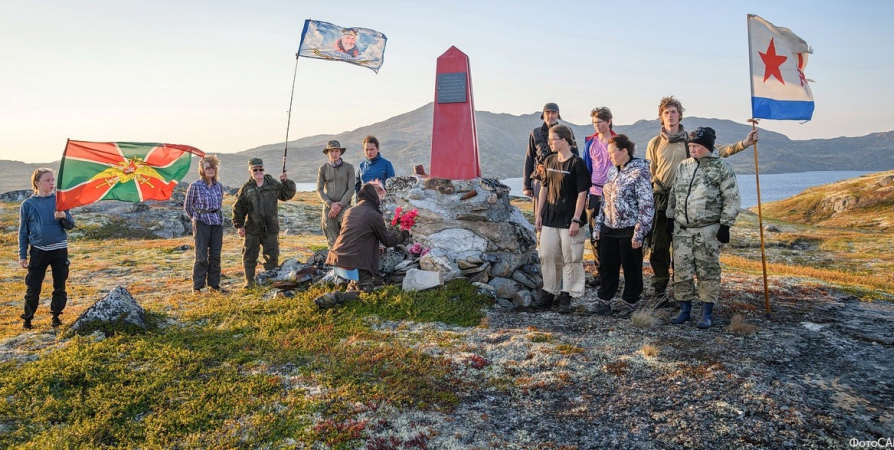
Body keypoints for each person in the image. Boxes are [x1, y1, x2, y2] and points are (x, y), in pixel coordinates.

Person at [645, 96, 758, 305]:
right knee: (659, 246)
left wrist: (744, 143)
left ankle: (685, 294)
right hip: (662, 199)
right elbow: (651, 172)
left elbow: (719, 151)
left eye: (674, 112)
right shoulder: (655, 143)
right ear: (661, 117)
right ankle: (659, 290)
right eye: (666, 112)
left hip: (689, 201)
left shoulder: (692, 139)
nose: (670, 115)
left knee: (683, 250)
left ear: (680, 115)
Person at [666, 127, 741, 329]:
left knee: (707, 270)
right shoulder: (683, 166)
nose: (693, 149)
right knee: (681, 271)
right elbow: (675, 192)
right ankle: (684, 310)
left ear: (707, 147)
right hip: (682, 229)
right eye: (690, 146)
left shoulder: (722, 168)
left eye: (697, 146)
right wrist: (669, 216)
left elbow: (731, 198)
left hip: (707, 229)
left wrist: (725, 225)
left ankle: (706, 313)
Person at [590, 135, 654, 317]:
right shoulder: (612, 171)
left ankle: (630, 301)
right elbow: (604, 202)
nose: (609, 156)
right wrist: (598, 226)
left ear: (624, 151)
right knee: (607, 266)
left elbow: (647, 204)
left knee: (631, 267)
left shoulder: (640, 172)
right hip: (609, 227)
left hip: (630, 228)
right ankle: (604, 300)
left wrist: (640, 232)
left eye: (612, 152)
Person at [317, 182, 409, 308]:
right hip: (355, 260)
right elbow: (388, 242)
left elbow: (356, 235)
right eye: (381, 197)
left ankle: (349, 289)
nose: (381, 201)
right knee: (367, 292)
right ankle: (336, 297)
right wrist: (404, 235)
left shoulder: (349, 211)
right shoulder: (374, 215)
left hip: (338, 257)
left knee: (356, 284)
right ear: (374, 197)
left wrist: (375, 246)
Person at [530, 124, 590, 314]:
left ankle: (567, 295)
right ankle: (549, 291)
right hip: (550, 217)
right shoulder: (549, 161)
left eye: (552, 139)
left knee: (570, 258)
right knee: (547, 255)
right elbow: (544, 189)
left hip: (570, 219)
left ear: (563, 141)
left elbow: (582, 194)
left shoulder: (577, 163)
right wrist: (539, 215)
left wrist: (576, 219)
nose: (549, 143)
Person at [18, 168, 74, 329]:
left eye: (52, 180)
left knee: (60, 285)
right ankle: (27, 319)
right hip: (38, 251)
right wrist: (22, 255)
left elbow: (70, 225)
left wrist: (63, 216)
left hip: (59, 250)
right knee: (33, 286)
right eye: (47, 180)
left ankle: (56, 317)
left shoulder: (59, 200)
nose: (52, 183)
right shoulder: (28, 204)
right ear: (37, 183)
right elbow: (23, 231)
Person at [232, 158, 297, 289]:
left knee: (272, 255)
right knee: (249, 255)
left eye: (260, 169)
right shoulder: (246, 188)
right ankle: (249, 281)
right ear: (250, 171)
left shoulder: (272, 184)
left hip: (270, 227)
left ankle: (270, 279)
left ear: (263, 169)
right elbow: (238, 207)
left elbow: (286, 195)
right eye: (255, 170)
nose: (258, 172)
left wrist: (285, 182)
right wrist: (239, 225)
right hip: (252, 228)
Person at [522, 102, 579, 215]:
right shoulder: (535, 133)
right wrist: (526, 186)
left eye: (554, 112)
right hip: (540, 176)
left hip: (562, 176)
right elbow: (529, 159)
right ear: (543, 115)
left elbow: (575, 156)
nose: (551, 115)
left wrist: (576, 181)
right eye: (548, 112)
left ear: (558, 115)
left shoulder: (567, 131)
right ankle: (539, 233)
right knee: (540, 212)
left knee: (561, 211)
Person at [582, 107, 616, 286]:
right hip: (594, 193)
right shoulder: (590, 144)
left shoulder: (618, 142)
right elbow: (586, 170)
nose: (597, 125)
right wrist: (586, 193)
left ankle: (611, 275)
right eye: (594, 122)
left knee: (612, 235)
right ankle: (600, 273)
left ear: (609, 121)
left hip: (614, 193)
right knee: (596, 235)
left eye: (600, 122)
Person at [184, 155, 226, 293]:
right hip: (201, 222)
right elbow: (188, 207)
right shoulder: (195, 186)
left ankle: (214, 286)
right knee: (201, 256)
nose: (211, 170)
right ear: (202, 169)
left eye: (213, 167)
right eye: (208, 167)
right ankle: (197, 287)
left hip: (216, 222)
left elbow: (219, 205)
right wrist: (196, 218)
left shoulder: (219, 186)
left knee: (215, 255)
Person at [316, 140, 355, 247]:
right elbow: (319, 189)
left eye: (336, 151)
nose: (334, 154)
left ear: (340, 152)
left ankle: (347, 260)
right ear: (327, 153)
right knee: (331, 238)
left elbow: (351, 189)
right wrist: (330, 204)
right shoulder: (322, 168)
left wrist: (340, 205)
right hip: (329, 207)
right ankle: (333, 260)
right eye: (331, 151)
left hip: (344, 206)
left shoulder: (349, 167)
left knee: (347, 234)